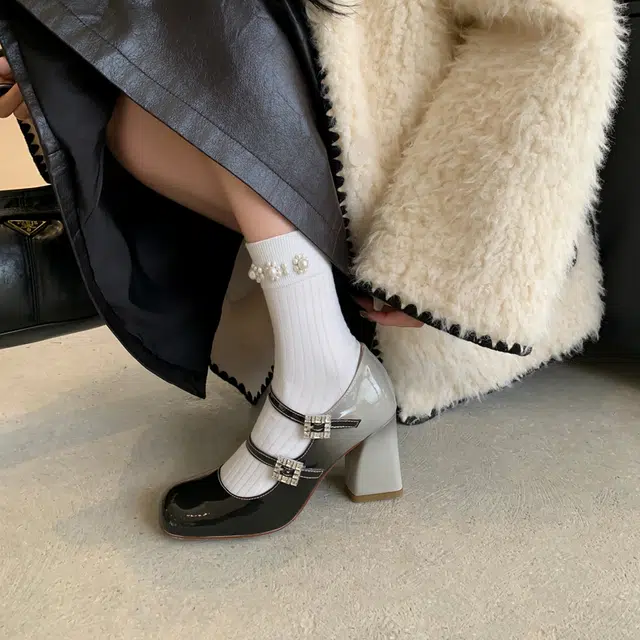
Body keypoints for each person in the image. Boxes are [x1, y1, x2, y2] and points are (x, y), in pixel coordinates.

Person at [0, 0, 623, 540]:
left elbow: (565, 31)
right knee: (103, 81)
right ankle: (318, 339)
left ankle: (321, 367)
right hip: (315, 166)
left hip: (424, 195)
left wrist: (440, 261)